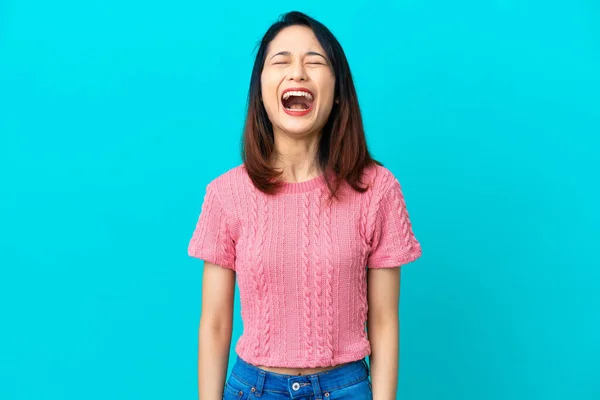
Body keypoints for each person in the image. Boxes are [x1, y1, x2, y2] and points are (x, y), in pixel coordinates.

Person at [188, 10, 422, 400]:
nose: (297, 72)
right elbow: (214, 323)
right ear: (261, 87)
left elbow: (383, 321)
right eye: (281, 61)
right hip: (253, 389)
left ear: (337, 86)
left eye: (315, 62)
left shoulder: (377, 190)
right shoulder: (225, 195)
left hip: (346, 387)